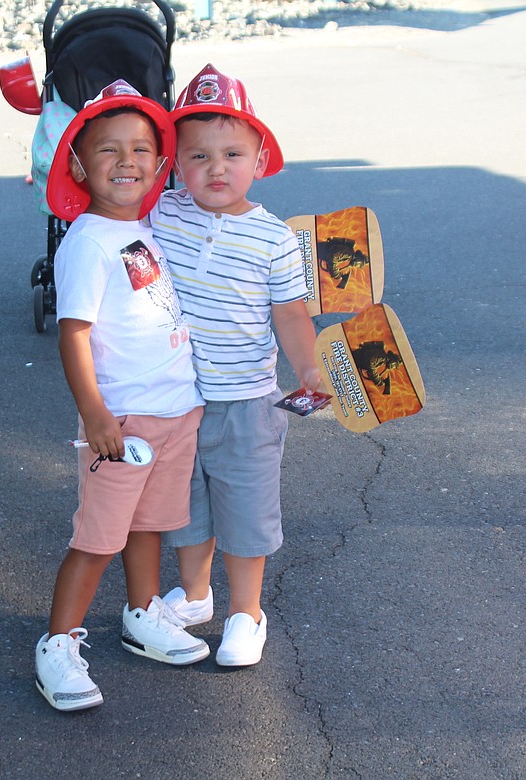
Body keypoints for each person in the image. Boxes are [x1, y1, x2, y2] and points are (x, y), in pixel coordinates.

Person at [34, 80, 209, 712]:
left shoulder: (151, 226)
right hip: (122, 419)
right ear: (79, 165)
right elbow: (73, 335)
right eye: (109, 150)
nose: (127, 161)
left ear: (160, 165)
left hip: (174, 410)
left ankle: (141, 613)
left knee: (150, 525)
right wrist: (95, 413)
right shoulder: (86, 241)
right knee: (99, 537)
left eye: (140, 148)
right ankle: (56, 645)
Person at [150, 64, 323, 667]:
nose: (215, 168)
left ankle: (246, 613)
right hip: (174, 400)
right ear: (175, 164)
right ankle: (196, 597)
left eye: (232, 153)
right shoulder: (164, 214)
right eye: (197, 156)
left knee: (245, 513)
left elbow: (293, 317)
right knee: (185, 508)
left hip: (247, 402)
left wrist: (309, 369)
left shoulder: (275, 239)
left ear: (259, 159)